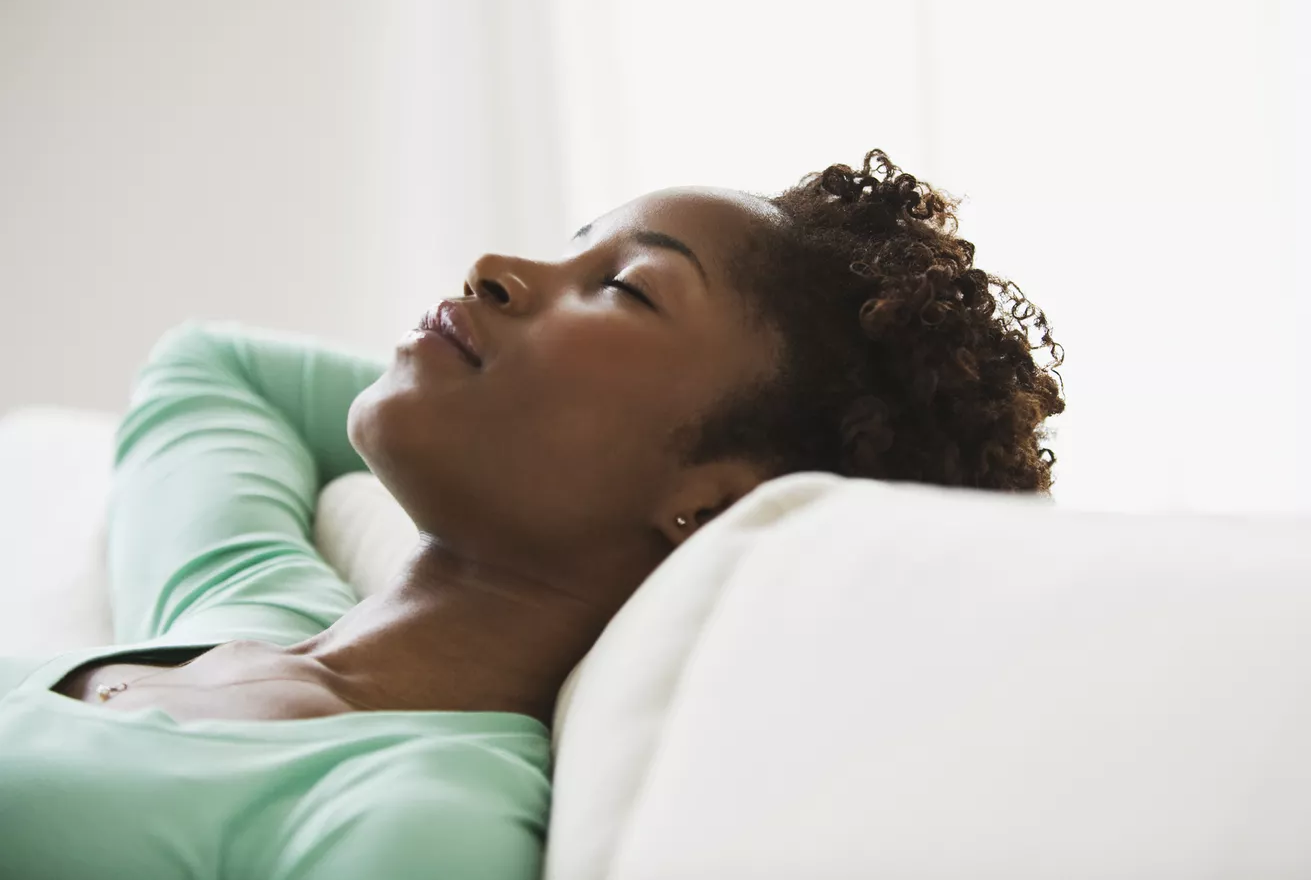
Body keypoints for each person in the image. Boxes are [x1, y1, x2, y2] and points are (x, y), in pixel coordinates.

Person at [0, 150, 1063, 878]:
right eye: (571, 242)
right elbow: (214, 366)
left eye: (625, 288)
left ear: (721, 500)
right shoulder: (248, 599)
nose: (498, 270)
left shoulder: (415, 814)